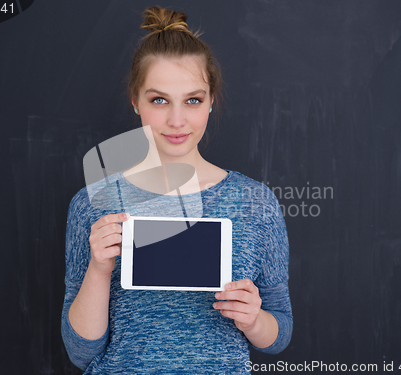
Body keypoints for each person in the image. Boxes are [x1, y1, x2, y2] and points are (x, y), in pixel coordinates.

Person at [61, 5, 292, 374]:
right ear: (135, 101)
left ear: (211, 101)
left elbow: (279, 334)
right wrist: (99, 270)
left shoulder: (255, 203)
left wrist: (253, 320)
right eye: (159, 100)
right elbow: (80, 353)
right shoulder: (93, 202)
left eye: (193, 100)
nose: (177, 120)